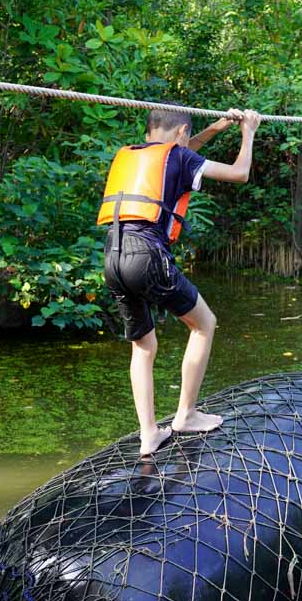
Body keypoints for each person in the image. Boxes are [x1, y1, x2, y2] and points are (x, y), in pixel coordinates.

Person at [98, 105, 262, 453]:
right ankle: (185, 415)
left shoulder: (133, 154)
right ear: (181, 134)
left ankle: (149, 434)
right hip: (147, 255)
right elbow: (240, 173)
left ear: (149, 133)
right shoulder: (178, 157)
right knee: (204, 324)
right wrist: (248, 131)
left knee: (143, 346)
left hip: (112, 256)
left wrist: (217, 128)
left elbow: (181, 155)